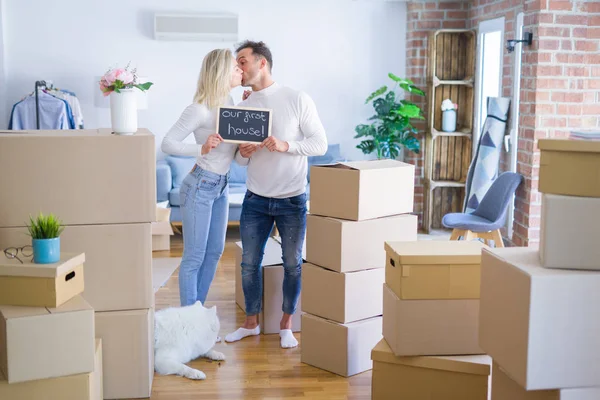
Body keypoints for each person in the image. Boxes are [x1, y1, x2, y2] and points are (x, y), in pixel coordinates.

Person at [224, 41, 328, 348]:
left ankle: (286, 324)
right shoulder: (242, 108)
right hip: (255, 199)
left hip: (292, 199)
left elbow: (319, 144)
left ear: (262, 64)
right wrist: (243, 152)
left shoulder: (296, 98)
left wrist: (287, 145)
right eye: (236, 63)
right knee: (248, 264)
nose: (238, 68)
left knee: (292, 263)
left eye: (242, 61)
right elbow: (240, 161)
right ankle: (251, 323)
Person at [161, 49, 243, 307]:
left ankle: (198, 315)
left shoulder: (230, 102)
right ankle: (189, 323)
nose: (240, 71)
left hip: (221, 185)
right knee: (194, 257)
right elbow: (168, 143)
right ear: (222, 72)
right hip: (200, 185)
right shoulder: (198, 109)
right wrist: (202, 148)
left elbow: (235, 149)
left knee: (214, 253)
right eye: (235, 67)